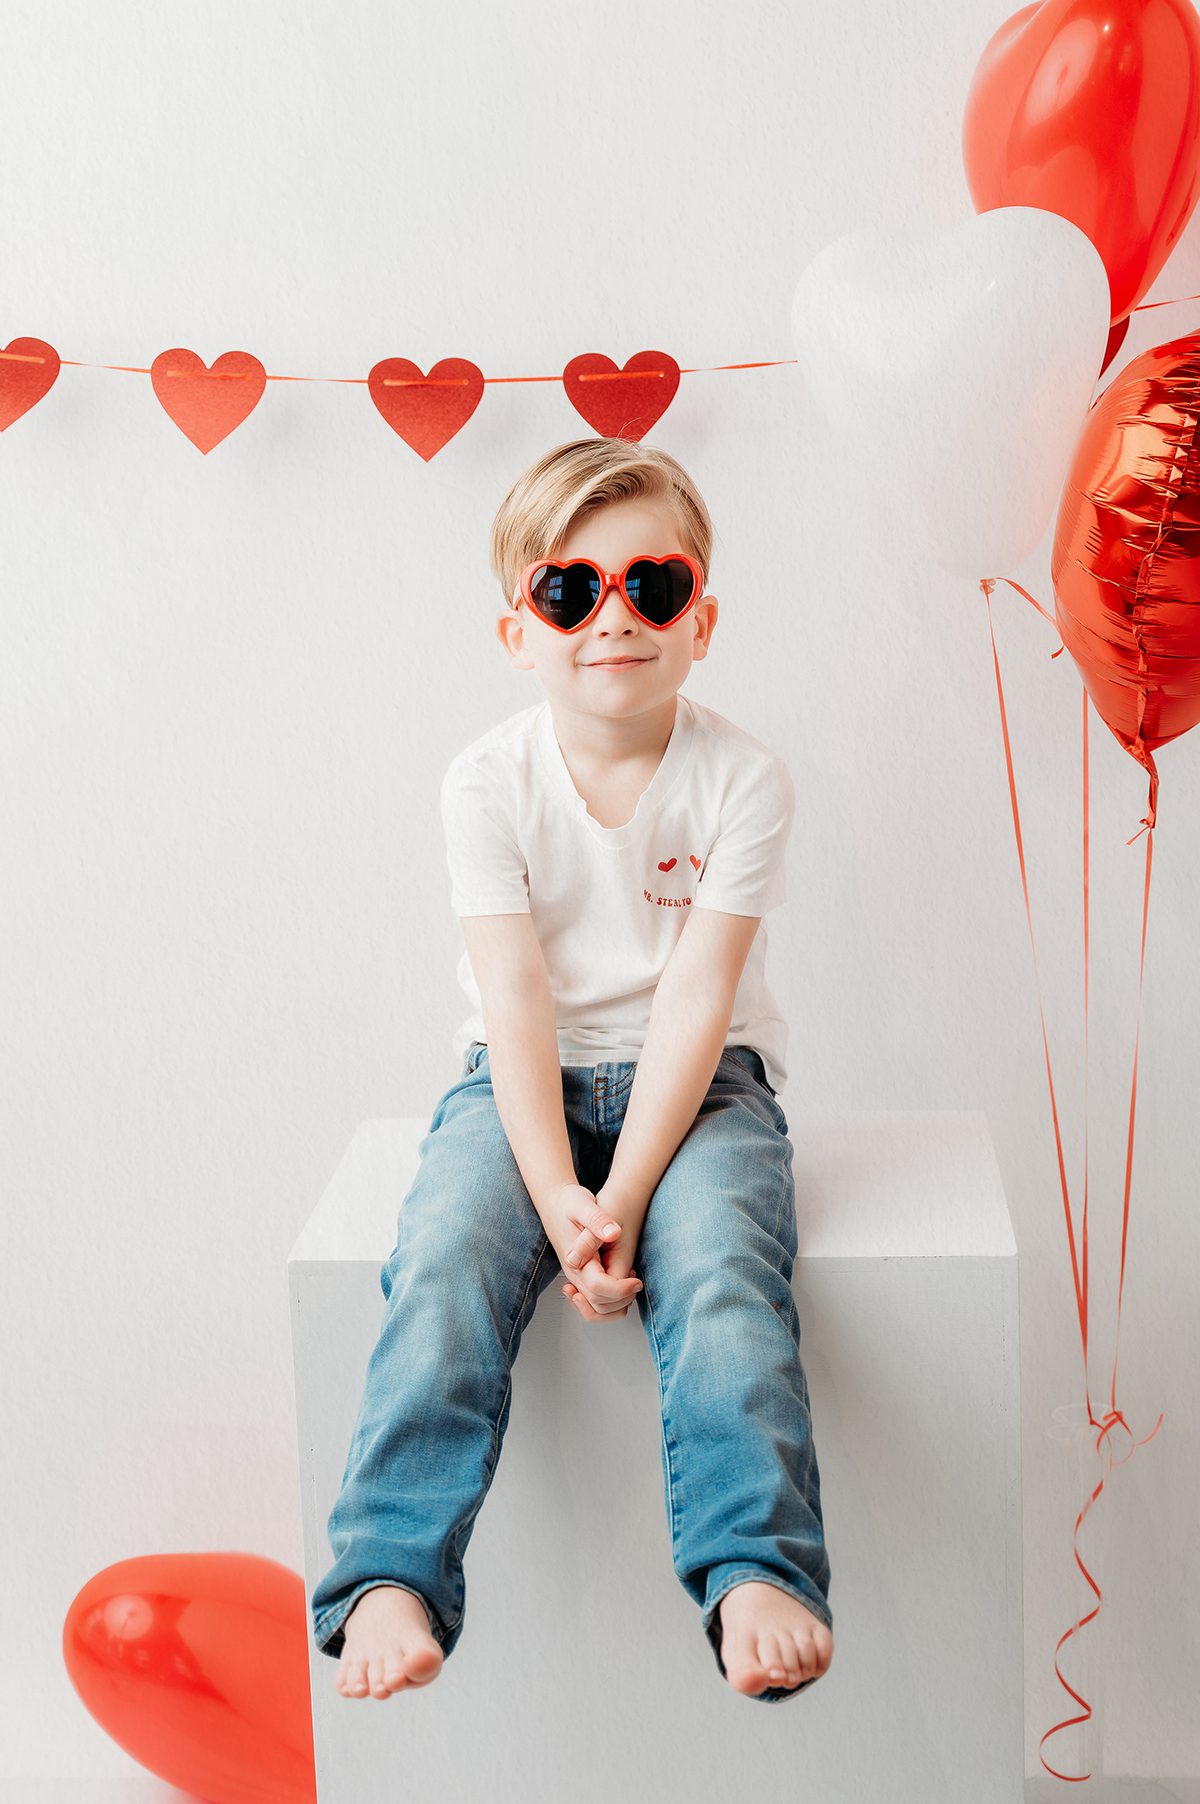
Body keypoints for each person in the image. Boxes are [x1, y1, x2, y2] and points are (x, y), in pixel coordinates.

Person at [309, 436, 834, 1705]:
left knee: (719, 1278)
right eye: (570, 589)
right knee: (440, 1257)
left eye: (652, 587)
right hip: (518, 1083)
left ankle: (755, 1563)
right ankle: (389, 1568)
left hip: (700, 1091)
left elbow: (699, 1001)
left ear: (700, 617)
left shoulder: (743, 779)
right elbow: (516, 993)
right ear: (518, 629)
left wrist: (631, 1191)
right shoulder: (487, 781)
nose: (614, 618)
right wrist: (555, 1192)